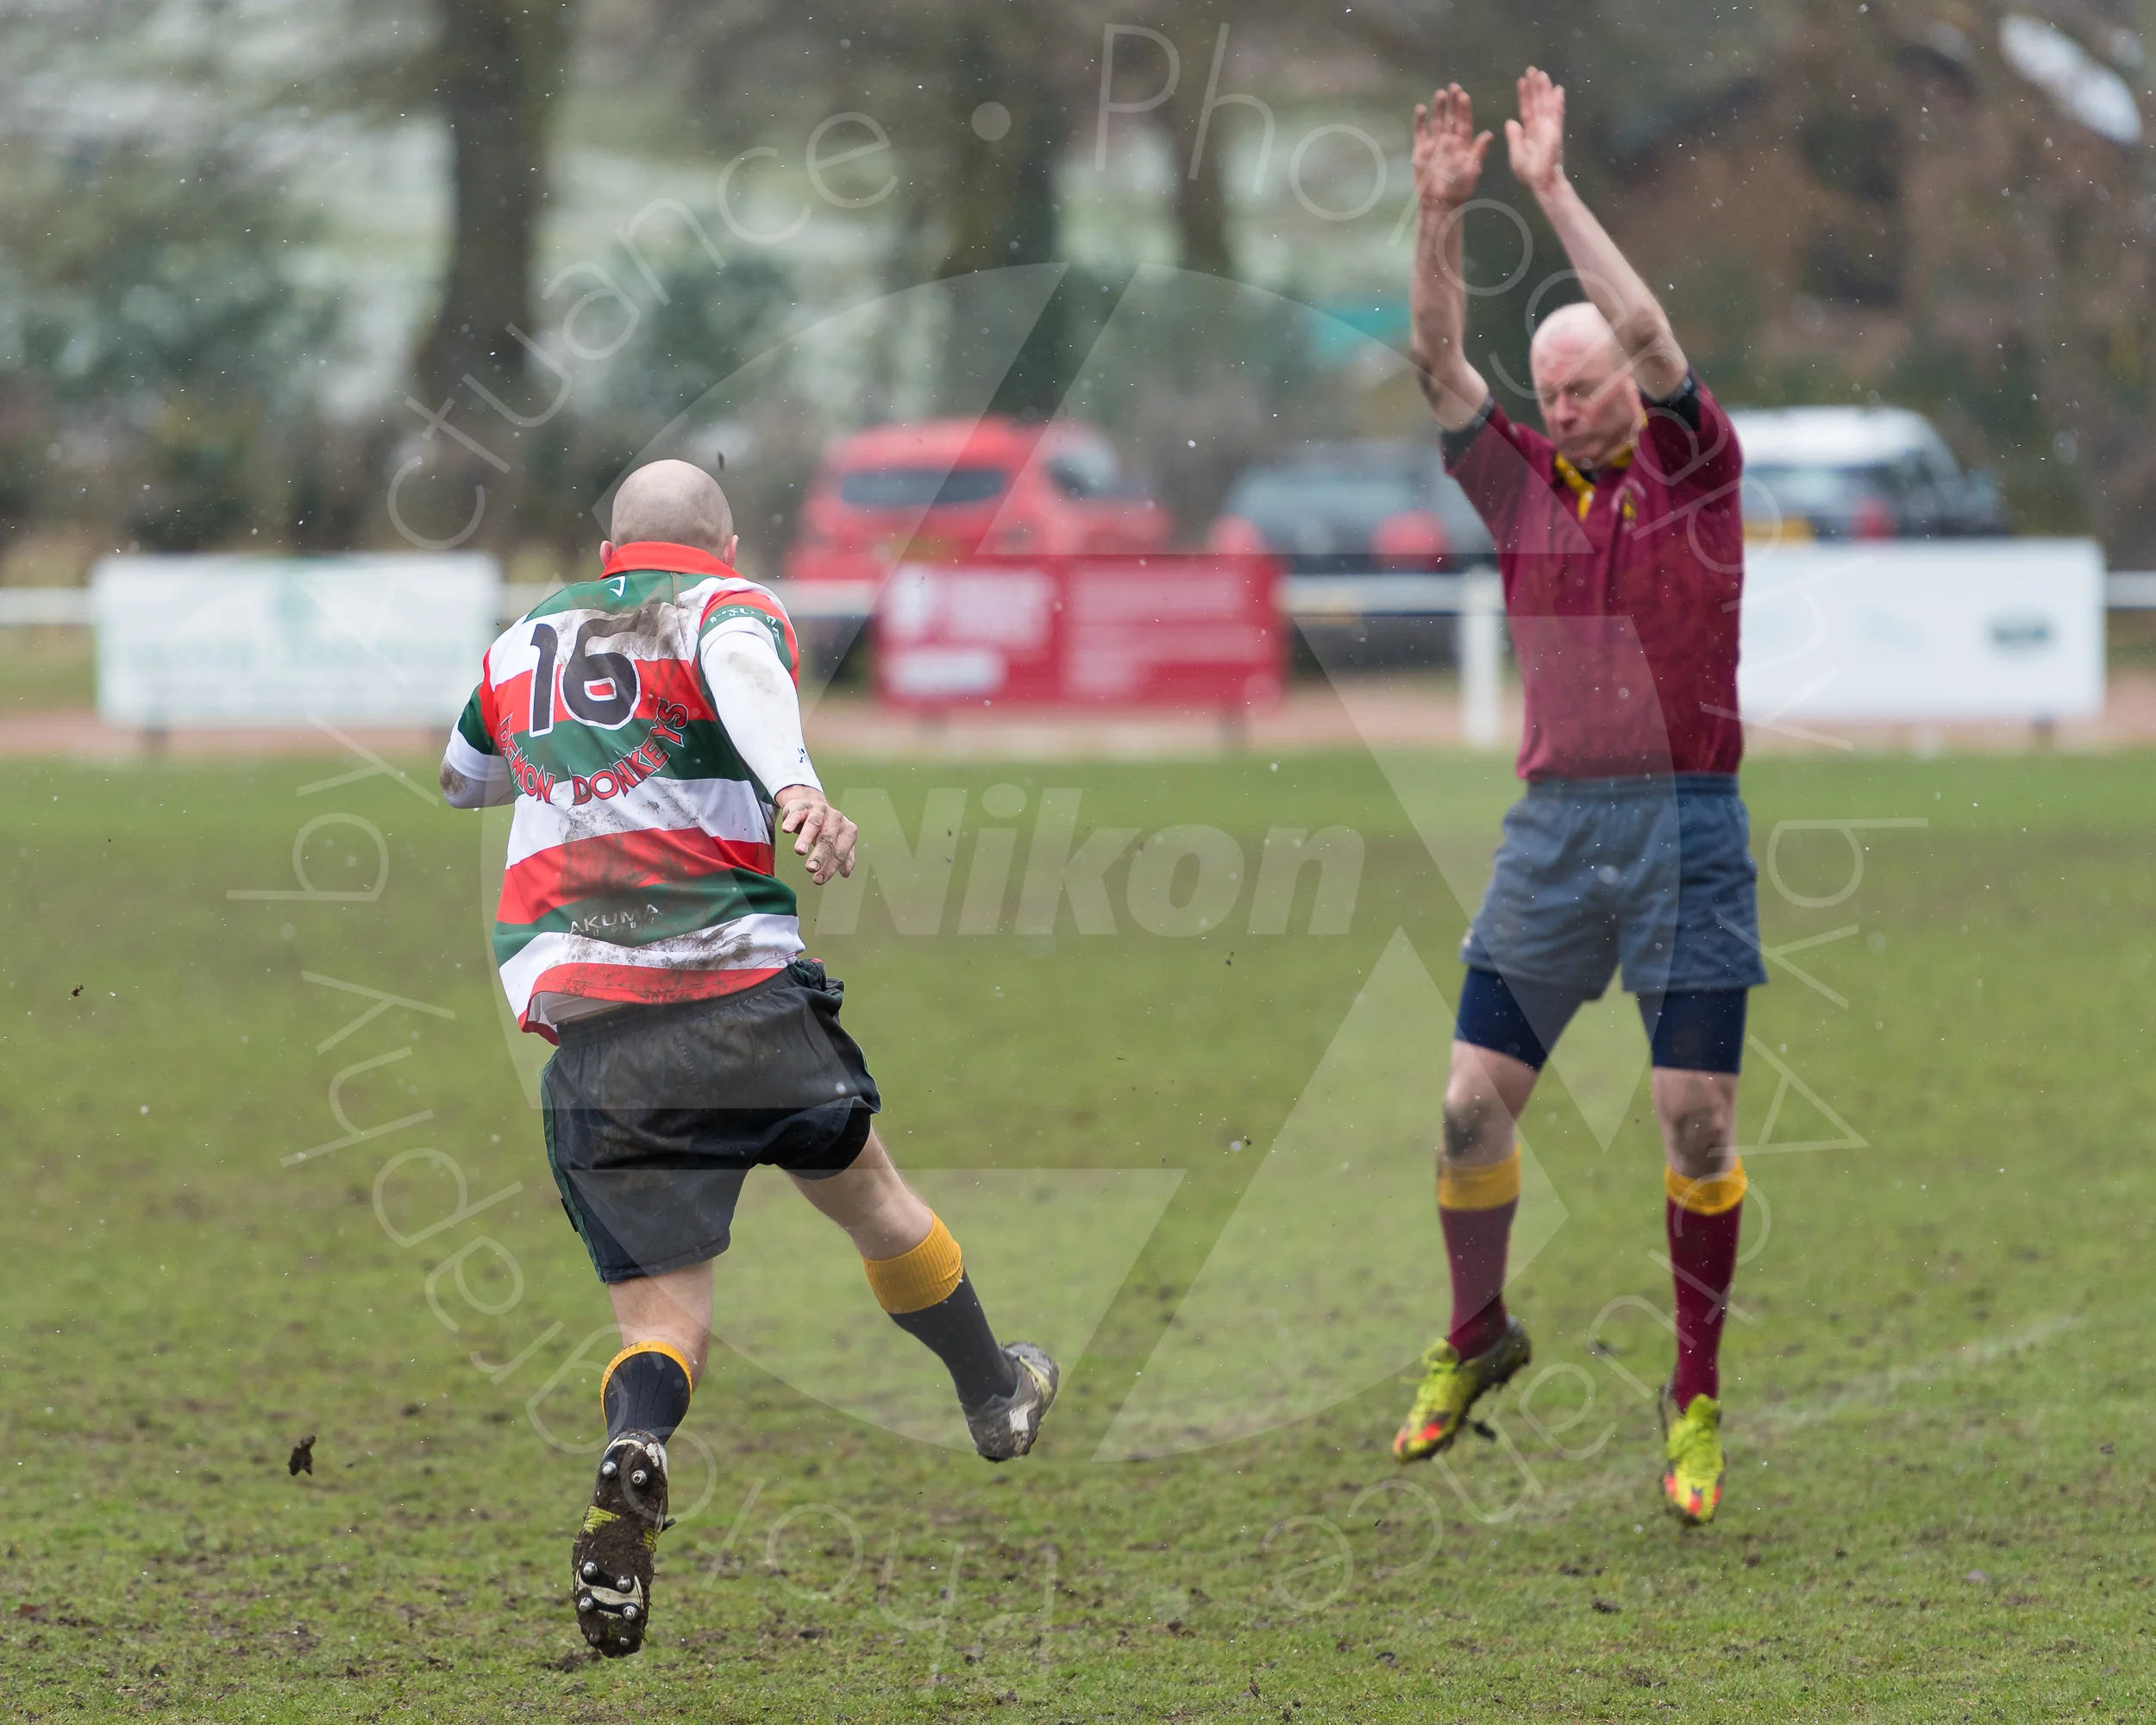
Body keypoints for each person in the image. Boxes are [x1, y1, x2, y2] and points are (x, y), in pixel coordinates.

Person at [439, 459, 1057, 1655]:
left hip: (595, 1037)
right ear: (719, 539)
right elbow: (737, 672)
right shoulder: (730, 605)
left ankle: (639, 1445)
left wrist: (574, 757)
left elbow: (464, 778)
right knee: (872, 1195)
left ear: (608, 543)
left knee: (660, 1323)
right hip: (739, 1005)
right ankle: (992, 1392)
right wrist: (796, 788)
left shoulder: (519, 642)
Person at [1394, 72, 1763, 1526]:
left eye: (1584, 385)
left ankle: (1693, 1400)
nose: (1562, 407)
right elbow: (1434, 358)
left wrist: (1550, 192)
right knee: (1470, 1111)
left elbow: (1659, 332)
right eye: (1547, 393)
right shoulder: (1521, 485)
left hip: (1688, 829)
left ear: (1631, 384)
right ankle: (1476, 1335)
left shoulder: (1696, 469)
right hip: (1555, 835)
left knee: (1693, 1127)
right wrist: (1439, 216)